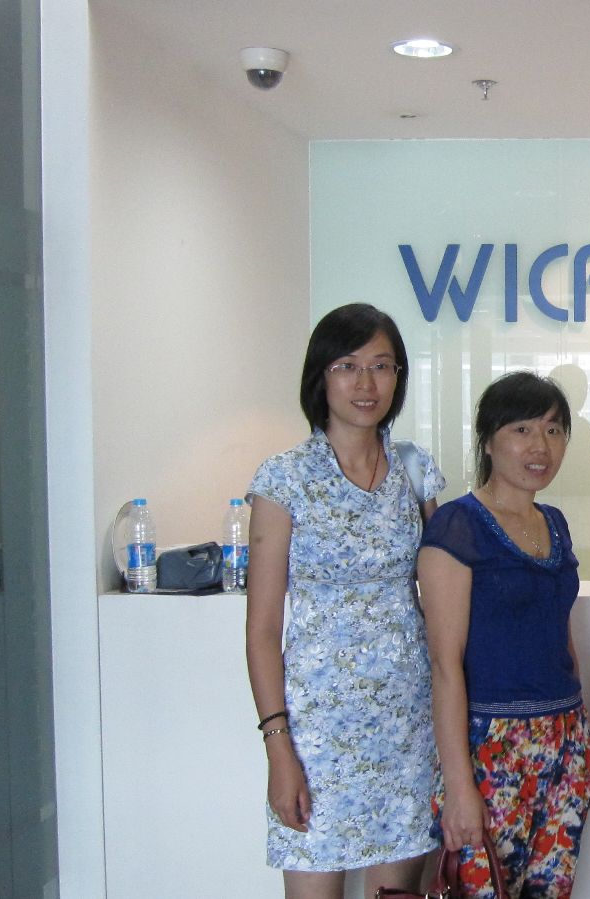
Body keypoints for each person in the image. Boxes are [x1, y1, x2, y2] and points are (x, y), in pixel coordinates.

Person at [245, 302, 445, 897]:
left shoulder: (414, 469)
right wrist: (279, 749)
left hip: (409, 724)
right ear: (321, 376)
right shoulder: (284, 478)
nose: (366, 383)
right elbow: (262, 630)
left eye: (382, 366)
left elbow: (443, 596)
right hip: (316, 730)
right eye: (347, 366)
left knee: (397, 892)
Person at [417, 371, 590, 898]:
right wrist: (458, 786)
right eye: (522, 429)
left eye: (554, 430)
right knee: (482, 888)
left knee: (551, 891)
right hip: (489, 748)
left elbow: (560, 634)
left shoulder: (555, 522)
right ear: (489, 440)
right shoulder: (457, 525)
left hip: (564, 740)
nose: (541, 446)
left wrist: (579, 746)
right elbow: (445, 666)